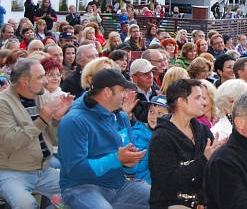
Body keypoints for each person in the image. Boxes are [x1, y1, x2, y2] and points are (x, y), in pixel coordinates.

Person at [57, 68, 150, 209]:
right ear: (107, 92)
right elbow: (75, 169)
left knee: (160, 199)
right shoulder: (74, 121)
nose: (126, 95)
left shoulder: (122, 117)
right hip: (81, 187)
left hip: (118, 184)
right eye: (122, 91)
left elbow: (130, 168)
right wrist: (117, 159)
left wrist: (129, 163)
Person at [0, 58, 73, 208]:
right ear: (25, 81)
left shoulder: (42, 95)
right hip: (11, 171)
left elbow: (53, 140)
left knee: (77, 192)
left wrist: (57, 119)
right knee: (26, 204)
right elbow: (11, 142)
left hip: (43, 169)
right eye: (40, 77)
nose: (46, 81)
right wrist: (44, 117)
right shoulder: (3, 103)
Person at [149, 79, 224, 208]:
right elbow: (168, 181)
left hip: (202, 201)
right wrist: (204, 159)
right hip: (171, 202)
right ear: (181, 102)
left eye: (204, 98)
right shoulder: (162, 138)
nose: (204, 102)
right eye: (198, 98)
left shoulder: (202, 130)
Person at [131, 95, 169, 184]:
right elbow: (135, 169)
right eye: (151, 111)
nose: (153, 116)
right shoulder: (138, 134)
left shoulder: (168, 134)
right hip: (143, 186)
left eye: (160, 113)